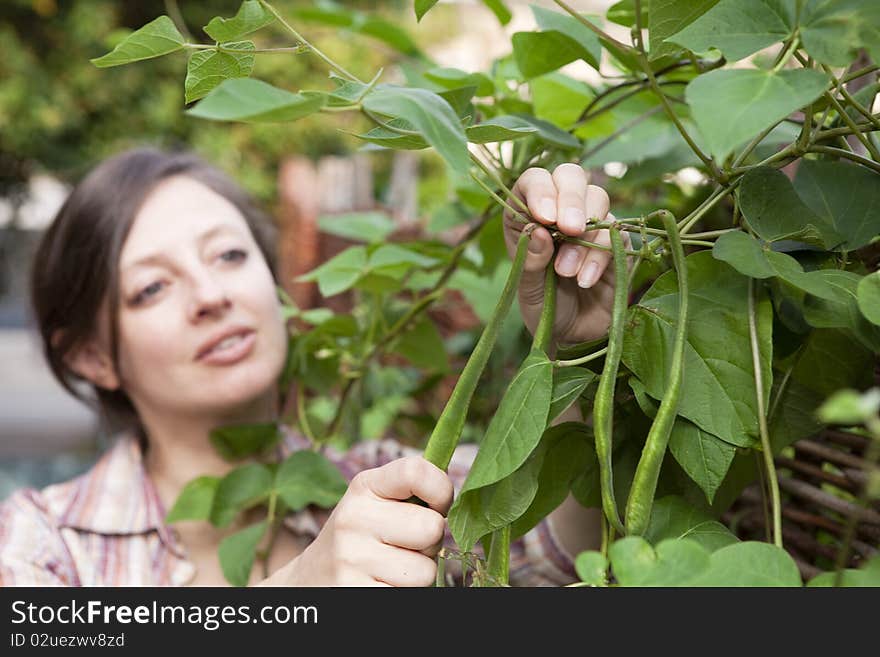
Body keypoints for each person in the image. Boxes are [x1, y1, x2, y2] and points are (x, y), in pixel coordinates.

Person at [0, 148, 622, 586]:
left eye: (229, 254)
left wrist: (576, 346)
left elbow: (558, 545)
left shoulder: (384, 483)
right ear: (92, 355)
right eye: (152, 288)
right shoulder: (39, 543)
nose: (212, 295)